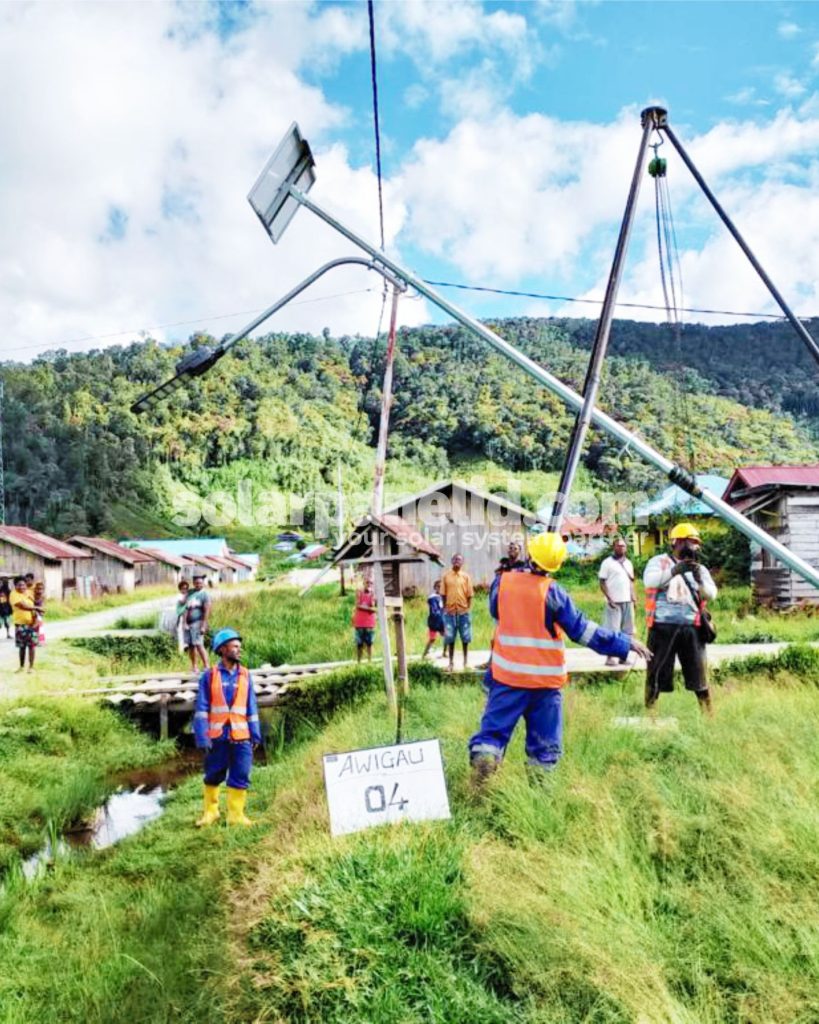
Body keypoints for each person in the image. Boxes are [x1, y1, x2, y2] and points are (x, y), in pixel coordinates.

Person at [469, 532, 651, 778]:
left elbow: (496, 612)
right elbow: (582, 631)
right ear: (556, 565)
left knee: (491, 737)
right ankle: (540, 792)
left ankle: (485, 768)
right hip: (545, 685)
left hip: (507, 679)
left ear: (530, 554)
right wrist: (624, 642)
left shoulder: (502, 583)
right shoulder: (554, 593)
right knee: (544, 748)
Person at [643, 522, 717, 716]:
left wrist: (699, 579)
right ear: (677, 542)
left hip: (692, 628)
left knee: (699, 676)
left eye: (696, 543)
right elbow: (650, 582)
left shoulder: (699, 568)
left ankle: (708, 715)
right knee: (656, 675)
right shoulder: (658, 562)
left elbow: (711, 594)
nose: (694, 547)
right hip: (661, 628)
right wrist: (675, 571)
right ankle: (651, 715)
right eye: (690, 542)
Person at [193, 627, 261, 827]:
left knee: (241, 773)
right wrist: (202, 737)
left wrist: (255, 734)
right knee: (213, 773)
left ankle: (236, 815)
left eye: (240, 646)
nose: (239, 650)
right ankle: (210, 812)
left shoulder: (246, 675)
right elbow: (202, 708)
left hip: (242, 736)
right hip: (218, 736)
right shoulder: (209, 676)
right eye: (235, 646)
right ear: (222, 649)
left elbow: (252, 707)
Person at [598, 535, 636, 666]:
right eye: (619, 545)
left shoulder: (629, 563)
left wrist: (633, 597)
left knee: (627, 632)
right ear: (614, 547)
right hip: (613, 602)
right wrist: (609, 598)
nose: (621, 548)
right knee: (612, 631)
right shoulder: (607, 563)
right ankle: (610, 657)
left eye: (623, 546)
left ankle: (623, 656)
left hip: (627, 601)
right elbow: (602, 582)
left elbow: (631, 582)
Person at [441, 553, 474, 671]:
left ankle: (465, 662)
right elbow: (443, 594)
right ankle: (451, 663)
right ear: (451, 561)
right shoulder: (446, 576)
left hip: (463, 611)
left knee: (465, 637)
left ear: (462, 562)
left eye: (459, 560)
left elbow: (470, 595)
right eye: (455, 559)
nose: (456, 561)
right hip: (450, 612)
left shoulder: (466, 577)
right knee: (450, 638)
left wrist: (468, 609)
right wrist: (445, 608)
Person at [10, 576, 38, 672]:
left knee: (32, 646)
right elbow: (22, 606)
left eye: (23, 585)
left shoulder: (28, 594)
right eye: (19, 585)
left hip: (32, 624)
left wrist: (36, 619)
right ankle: (21, 667)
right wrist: (36, 608)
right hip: (20, 624)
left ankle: (31, 667)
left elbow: (35, 604)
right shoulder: (14, 594)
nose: (21, 587)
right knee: (22, 647)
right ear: (15, 586)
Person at [184, 574, 211, 671]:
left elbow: (207, 610)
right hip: (189, 622)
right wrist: (184, 623)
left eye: (200, 583)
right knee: (191, 645)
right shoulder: (190, 593)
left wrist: (203, 625)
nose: (198, 584)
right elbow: (185, 608)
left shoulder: (205, 594)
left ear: (203, 583)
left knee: (199, 644)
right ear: (193, 583)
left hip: (198, 622)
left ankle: (206, 665)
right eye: (196, 583)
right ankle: (194, 666)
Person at [352, 576, 376, 663]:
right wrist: (370, 609)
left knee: (370, 643)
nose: (369, 584)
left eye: (371, 583)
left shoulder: (373, 594)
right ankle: (359, 662)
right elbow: (357, 605)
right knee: (359, 644)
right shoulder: (359, 593)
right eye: (367, 582)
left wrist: (367, 607)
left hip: (370, 623)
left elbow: (373, 605)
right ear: (364, 583)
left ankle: (370, 661)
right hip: (360, 623)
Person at [423, 579, 445, 659]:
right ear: (435, 587)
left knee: (447, 637)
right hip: (434, 621)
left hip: (442, 621)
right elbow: (434, 610)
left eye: (442, 587)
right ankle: (425, 653)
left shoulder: (443, 597)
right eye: (438, 587)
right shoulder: (432, 598)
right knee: (432, 638)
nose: (440, 588)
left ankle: (445, 652)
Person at [175, 579, 194, 666]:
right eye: (183, 588)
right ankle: (181, 655)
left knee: (187, 637)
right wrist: (188, 595)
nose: (185, 590)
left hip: (189, 619)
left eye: (186, 588)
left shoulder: (188, 596)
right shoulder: (179, 596)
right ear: (180, 589)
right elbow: (182, 602)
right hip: (181, 618)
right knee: (180, 637)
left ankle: (187, 652)